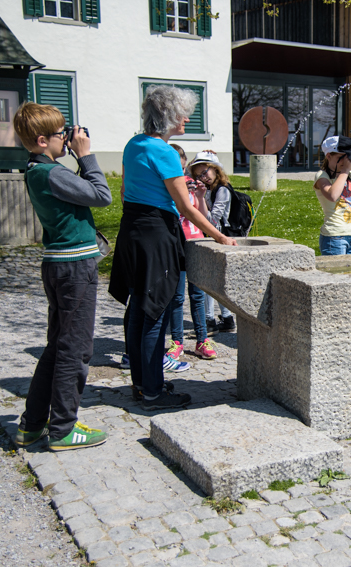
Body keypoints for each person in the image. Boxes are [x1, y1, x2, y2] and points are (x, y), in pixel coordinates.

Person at [109, 86, 236, 411]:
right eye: (184, 112)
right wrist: (219, 237)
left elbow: (126, 192)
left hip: (132, 231)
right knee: (153, 316)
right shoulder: (164, 152)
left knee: (138, 311)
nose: (188, 118)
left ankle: (142, 384)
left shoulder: (132, 144)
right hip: (156, 238)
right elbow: (187, 208)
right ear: (168, 116)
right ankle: (153, 393)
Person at [11, 102, 112, 450]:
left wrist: (70, 157)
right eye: (60, 134)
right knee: (75, 348)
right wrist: (86, 157)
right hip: (74, 268)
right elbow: (102, 195)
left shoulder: (39, 170)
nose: (66, 138)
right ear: (42, 140)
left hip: (58, 265)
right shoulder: (51, 173)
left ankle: (33, 424)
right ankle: (64, 428)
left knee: (57, 346)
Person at [165, 144, 217, 361]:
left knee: (198, 296)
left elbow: (204, 218)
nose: (176, 164)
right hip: (176, 245)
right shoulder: (167, 185)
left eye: (179, 159)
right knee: (176, 297)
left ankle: (202, 340)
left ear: (184, 161)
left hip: (195, 243)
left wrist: (202, 196)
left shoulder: (192, 184)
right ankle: (176, 341)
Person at [187, 150, 237, 334]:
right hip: (209, 238)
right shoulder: (205, 189)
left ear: (216, 170)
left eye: (205, 171)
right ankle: (227, 318)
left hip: (218, 238)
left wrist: (200, 198)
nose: (202, 177)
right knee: (214, 281)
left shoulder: (222, 190)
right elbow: (183, 176)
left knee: (207, 281)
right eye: (198, 174)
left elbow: (212, 222)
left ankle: (209, 320)